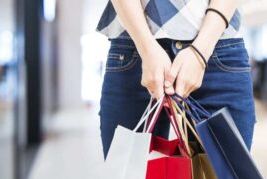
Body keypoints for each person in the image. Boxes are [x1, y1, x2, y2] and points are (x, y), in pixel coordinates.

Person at [97, 0, 256, 159]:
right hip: (135, 45)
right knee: (130, 178)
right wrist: (146, 48)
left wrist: (199, 52)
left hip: (217, 45)